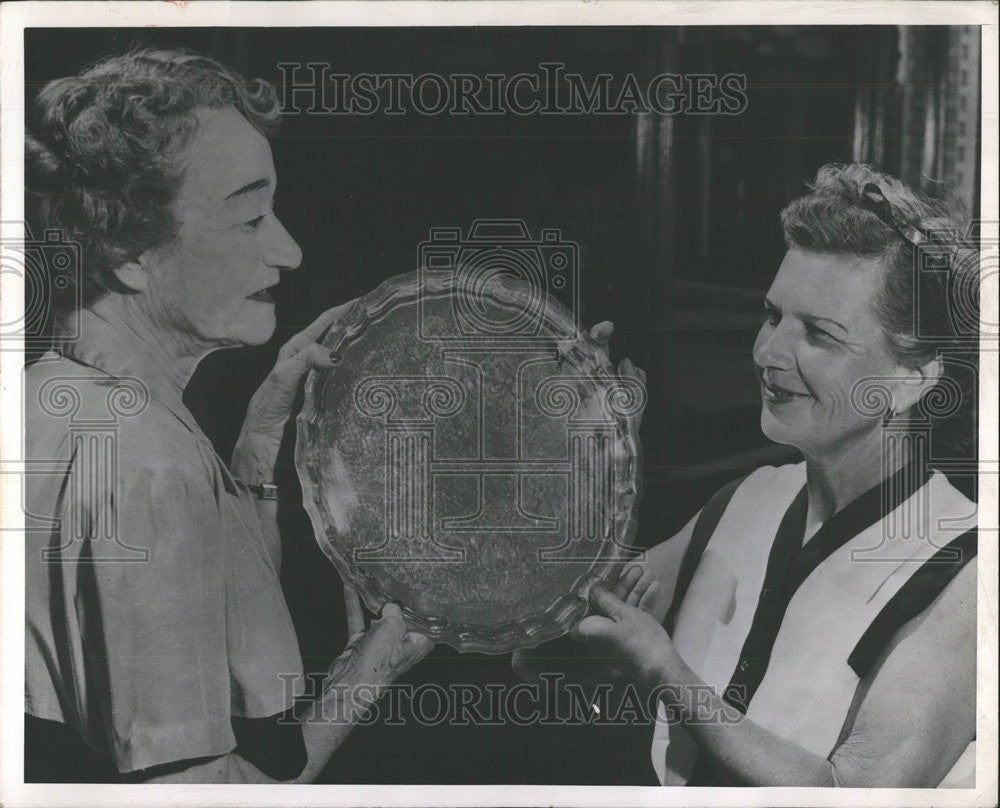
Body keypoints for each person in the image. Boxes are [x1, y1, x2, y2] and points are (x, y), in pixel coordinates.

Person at [23, 47, 432, 783]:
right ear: (126, 248)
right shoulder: (148, 463)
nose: (291, 250)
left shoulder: (50, 401)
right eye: (250, 218)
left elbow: (195, 622)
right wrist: (373, 670)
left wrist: (255, 446)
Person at [515, 163, 979, 788]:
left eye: (818, 333)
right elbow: (543, 643)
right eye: (771, 317)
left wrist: (663, 670)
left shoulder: (967, 571)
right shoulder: (749, 502)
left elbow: (856, 795)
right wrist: (595, 451)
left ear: (913, 378)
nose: (768, 353)